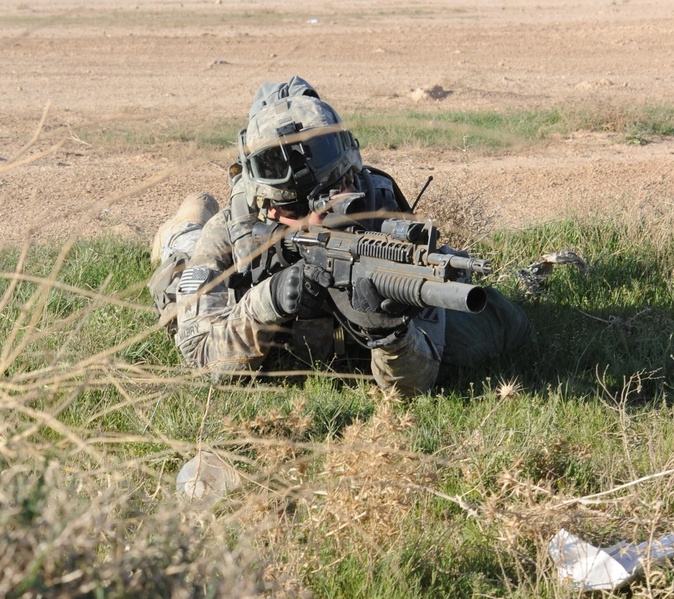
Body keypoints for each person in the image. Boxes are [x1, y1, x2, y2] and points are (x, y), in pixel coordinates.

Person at [149, 76, 529, 396]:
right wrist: (268, 300)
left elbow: (415, 383)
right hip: (216, 261)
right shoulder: (232, 230)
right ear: (264, 206)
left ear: (349, 180)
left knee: (487, 330)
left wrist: (390, 334)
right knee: (178, 264)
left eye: (328, 203)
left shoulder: (383, 217)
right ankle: (183, 225)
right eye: (294, 212)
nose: (316, 219)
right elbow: (202, 360)